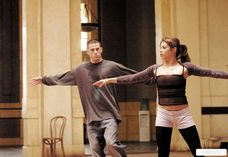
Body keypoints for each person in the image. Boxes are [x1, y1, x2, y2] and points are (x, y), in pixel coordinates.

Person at [93, 37, 228, 157]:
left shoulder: (185, 68)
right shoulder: (155, 69)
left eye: (164, 47)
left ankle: (222, 152)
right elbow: (133, 78)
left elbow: (210, 72)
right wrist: (110, 80)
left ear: (173, 50)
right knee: (163, 153)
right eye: (160, 47)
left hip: (183, 115)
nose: (161, 50)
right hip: (163, 115)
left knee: (197, 151)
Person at [31, 39, 137, 157]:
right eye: (92, 50)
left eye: (98, 49)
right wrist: (44, 79)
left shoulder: (111, 66)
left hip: (109, 115)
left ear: (101, 50)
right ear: (88, 52)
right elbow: (62, 78)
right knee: (96, 150)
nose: (96, 52)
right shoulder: (81, 70)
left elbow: (132, 75)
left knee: (111, 143)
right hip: (91, 119)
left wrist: (151, 77)